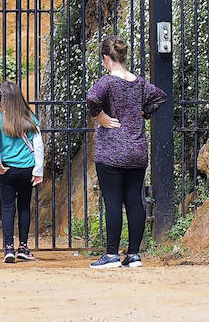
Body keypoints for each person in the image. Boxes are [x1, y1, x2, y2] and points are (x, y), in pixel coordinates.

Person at [86, 35, 167, 268]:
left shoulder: (107, 82)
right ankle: (133, 255)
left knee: (113, 202)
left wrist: (100, 117)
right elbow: (160, 96)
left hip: (111, 150)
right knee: (134, 201)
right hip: (137, 150)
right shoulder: (139, 82)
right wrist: (144, 113)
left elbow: (92, 98)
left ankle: (111, 254)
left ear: (106, 58)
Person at [0, 81, 45, 264]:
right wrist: (38, 169)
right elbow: (39, 144)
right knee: (24, 207)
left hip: (8, 170)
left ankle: (8, 249)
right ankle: (23, 247)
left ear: (1, 102)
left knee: (7, 207)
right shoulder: (29, 118)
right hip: (27, 169)